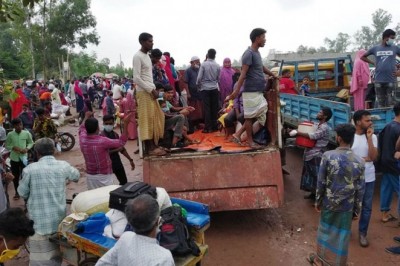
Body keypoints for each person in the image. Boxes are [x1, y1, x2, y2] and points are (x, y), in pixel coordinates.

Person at [308, 123, 365, 266]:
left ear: (338, 138)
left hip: (329, 203)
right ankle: (339, 263)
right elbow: (360, 188)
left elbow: (321, 182)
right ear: (352, 139)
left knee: (325, 231)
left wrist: (318, 201)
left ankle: (319, 260)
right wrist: (357, 209)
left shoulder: (328, 156)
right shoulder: (360, 161)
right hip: (347, 206)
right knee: (342, 235)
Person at [18, 138, 80, 266]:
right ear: (53, 150)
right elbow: (76, 176)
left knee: (41, 261)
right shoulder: (63, 165)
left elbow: (22, 193)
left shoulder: (29, 169)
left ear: (37, 152)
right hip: (59, 222)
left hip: (39, 224)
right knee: (58, 254)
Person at [226, 28, 278, 148]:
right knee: (250, 116)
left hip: (257, 91)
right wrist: (235, 92)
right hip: (251, 91)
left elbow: (261, 67)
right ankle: (250, 142)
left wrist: (272, 74)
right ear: (257, 38)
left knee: (259, 112)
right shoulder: (248, 54)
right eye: (263, 37)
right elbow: (243, 74)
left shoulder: (256, 53)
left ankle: (238, 134)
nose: (265, 40)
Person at [95, 194, 174, 266]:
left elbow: (102, 263)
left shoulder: (125, 238)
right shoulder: (164, 258)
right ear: (157, 222)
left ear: (129, 222)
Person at [132, 32, 166, 156]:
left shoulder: (147, 56)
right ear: (142, 42)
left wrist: (154, 88)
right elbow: (136, 78)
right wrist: (151, 90)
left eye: (152, 41)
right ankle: (151, 148)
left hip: (151, 91)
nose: (152, 43)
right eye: (149, 41)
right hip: (144, 92)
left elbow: (147, 76)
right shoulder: (137, 56)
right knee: (146, 120)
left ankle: (155, 144)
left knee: (157, 118)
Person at [79, 111, 133, 190]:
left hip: (91, 176)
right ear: (98, 127)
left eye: (110, 123)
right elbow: (121, 142)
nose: (108, 125)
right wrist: (125, 124)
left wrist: (86, 117)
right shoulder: (102, 140)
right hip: (104, 175)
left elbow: (81, 128)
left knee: (95, 197)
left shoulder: (82, 138)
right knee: (107, 196)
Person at [292, 108, 332, 199]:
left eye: (320, 113)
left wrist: (298, 132)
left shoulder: (324, 127)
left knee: (317, 175)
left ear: (325, 116)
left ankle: (321, 197)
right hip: (310, 153)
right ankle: (313, 193)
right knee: (310, 174)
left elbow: (313, 136)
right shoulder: (318, 124)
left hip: (317, 154)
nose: (318, 114)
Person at [351, 110, 378, 247]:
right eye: (367, 120)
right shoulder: (350, 136)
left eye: (370, 120)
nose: (370, 122)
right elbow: (347, 157)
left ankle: (363, 233)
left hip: (369, 177)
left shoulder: (372, 137)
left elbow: (373, 157)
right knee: (349, 204)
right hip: (352, 177)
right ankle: (346, 228)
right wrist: (363, 159)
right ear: (358, 122)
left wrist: (369, 139)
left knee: (366, 208)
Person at [361, 29, 400, 107]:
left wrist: (399, 71)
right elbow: (363, 57)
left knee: (392, 102)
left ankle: (392, 118)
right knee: (380, 102)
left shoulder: (395, 48)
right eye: (392, 38)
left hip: (391, 79)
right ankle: (383, 118)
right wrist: (373, 63)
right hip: (379, 80)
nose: (392, 40)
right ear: (386, 37)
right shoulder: (375, 48)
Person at [378, 102, 400, 222]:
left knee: (387, 186)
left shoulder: (389, 126)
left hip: (386, 161)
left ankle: (385, 214)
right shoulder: (397, 128)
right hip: (395, 164)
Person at [101, 115, 135, 185]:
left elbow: (122, 149)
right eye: (106, 124)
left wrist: (130, 160)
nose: (108, 125)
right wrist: (116, 150)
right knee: (107, 186)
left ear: (113, 123)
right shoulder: (101, 136)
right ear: (103, 123)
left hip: (116, 162)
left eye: (110, 124)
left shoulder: (115, 135)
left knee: (124, 182)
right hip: (106, 164)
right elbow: (102, 153)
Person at [5, 118, 33, 200]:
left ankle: (25, 192)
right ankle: (17, 192)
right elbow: (7, 145)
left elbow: (31, 142)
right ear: (13, 126)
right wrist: (13, 147)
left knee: (25, 176)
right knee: (15, 176)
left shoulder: (26, 133)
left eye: (20, 124)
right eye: (17, 125)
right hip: (14, 159)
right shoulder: (10, 134)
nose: (19, 126)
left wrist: (27, 149)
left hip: (24, 158)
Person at [196, 49, 220, 133]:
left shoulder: (203, 65)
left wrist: (199, 86)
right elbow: (218, 79)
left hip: (205, 89)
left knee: (207, 108)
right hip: (214, 88)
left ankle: (208, 128)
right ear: (215, 56)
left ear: (207, 55)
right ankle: (215, 127)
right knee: (214, 108)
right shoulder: (217, 65)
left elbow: (199, 78)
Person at [184, 56, 203, 133]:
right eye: (196, 61)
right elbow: (186, 83)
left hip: (199, 92)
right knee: (193, 110)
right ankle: (192, 126)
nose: (198, 63)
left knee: (200, 110)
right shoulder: (188, 71)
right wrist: (188, 93)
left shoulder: (200, 69)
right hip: (192, 93)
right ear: (192, 62)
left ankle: (198, 124)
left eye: (199, 61)